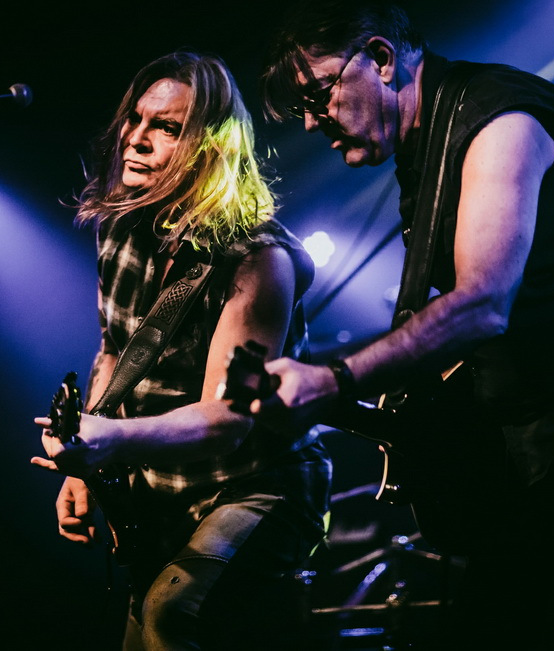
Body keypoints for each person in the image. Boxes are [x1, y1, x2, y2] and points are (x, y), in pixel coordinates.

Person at [254, 0, 554, 651]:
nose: (309, 123)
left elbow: (483, 303)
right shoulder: (423, 156)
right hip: (546, 436)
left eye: (317, 95)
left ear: (380, 58)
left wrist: (332, 379)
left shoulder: (500, 115)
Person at [30, 50, 331, 650]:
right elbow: (113, 353)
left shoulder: (259, 258)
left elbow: (227, 421)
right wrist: (91, 462)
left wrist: (113, 439)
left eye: (166, 128)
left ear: (212, 148)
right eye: (136, 119)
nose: (135, 139)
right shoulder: (120, 225)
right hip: (161, 490)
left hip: (258, 486)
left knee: (172, 613)